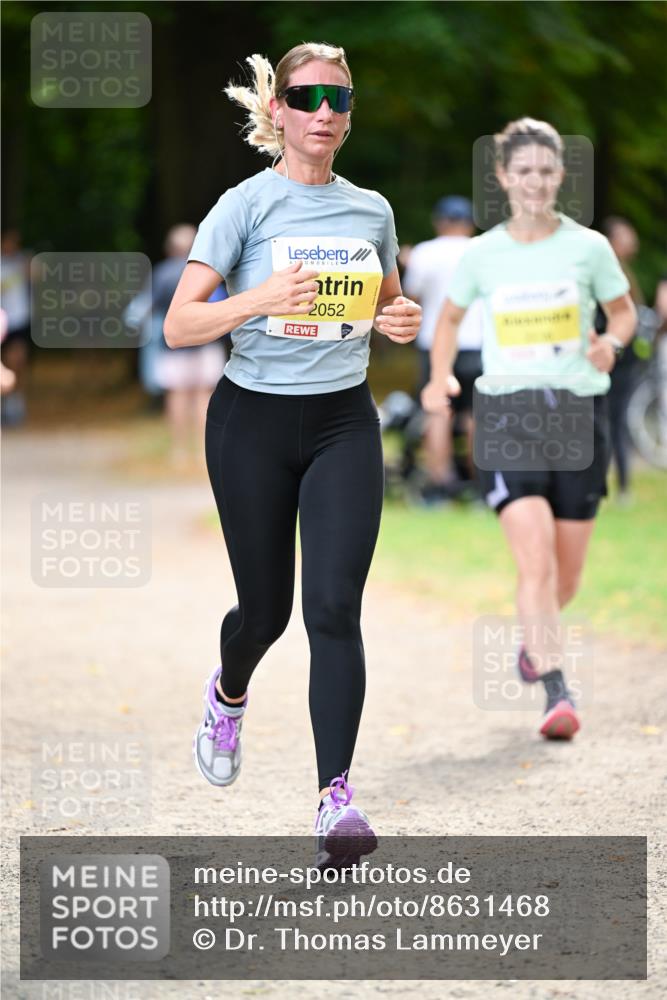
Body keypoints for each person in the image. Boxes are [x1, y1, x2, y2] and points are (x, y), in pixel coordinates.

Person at [164, 43, 420, 864]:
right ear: (276, 110)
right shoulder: (242, 206)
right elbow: (179, 326)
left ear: (348, 114)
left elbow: (385, 301)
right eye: (306, 97)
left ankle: (333, 800)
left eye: (338, 100)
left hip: (343, 422)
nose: (322, 112)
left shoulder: (370, 211)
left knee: (334, 608)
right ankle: (227, 692)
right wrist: (260, 299)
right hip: (253, 425)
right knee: (266, 612)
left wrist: (399, 320)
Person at [423, 118, 636, 740]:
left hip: (577, 415)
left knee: (566, 577)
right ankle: (556, 690)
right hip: (507, 417)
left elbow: (622, 314)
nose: (535, 182)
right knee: (536, 562)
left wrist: (612, 346)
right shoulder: (481, 252)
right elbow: (448, 321)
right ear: (503, 178)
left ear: (560, 176)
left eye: (546, 171)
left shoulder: (589, 248)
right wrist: (440, 379)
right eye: (524, 172)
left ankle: (533, 640)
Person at [402, 196, 484, 500]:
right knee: (478, 415)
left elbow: (412, 296)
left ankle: (440, 484)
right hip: (479, 341)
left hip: (435, 342)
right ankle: (480, 486)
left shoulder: (424, 252)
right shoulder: (482, 250)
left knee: (438, 412)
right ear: (469, 223)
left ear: (439, 222)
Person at [597, 216, 644, 500]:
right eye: (625, 235)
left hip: (623, 359)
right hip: (610, 358)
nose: (632, 241)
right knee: (609, 420)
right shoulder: (606, 270)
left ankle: (622, 484)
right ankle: (609, 484)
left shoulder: (623, 270)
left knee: (617, 419)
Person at [0, 229, 31, 425]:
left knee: (17, 361)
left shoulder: (23, 262)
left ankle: (15, 402)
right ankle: (6, 402)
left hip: (19, 320)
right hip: (3, 321)